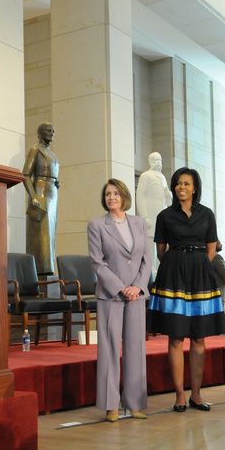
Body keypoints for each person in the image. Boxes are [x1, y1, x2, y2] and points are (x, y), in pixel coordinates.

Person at [149, 167, 225, 412]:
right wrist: (179, 262)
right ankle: (180, 395)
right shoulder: (165, 216)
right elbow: (161, 252)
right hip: (173, 275)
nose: (182, 188)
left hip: (200, 275)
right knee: (176, 336)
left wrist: (198, 263)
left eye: (186, 184)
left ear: (195, 188)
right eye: (178, 184)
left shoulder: (207, 214)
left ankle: (197, 394)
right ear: (173, 188)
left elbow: (211, 248)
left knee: (199, 337)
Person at [87, 179, 151, 422]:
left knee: (136, 347)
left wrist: (137, 286)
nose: (111, 197)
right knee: (109, 348)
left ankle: (135, 404)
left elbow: (146, 260)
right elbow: (97, 262)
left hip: (136, 294)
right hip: (110, 294)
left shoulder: (139, 223)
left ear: (124, 196)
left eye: (115, 193)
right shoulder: (96, 225)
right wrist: (121, 287)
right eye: (107, 194)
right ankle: (110, 405)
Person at [23, 122, 60, 275]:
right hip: (40, 190)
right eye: (47, 130)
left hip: (52, 192)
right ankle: (41, 269)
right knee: (41, 231)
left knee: (50, 232)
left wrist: (56, 181)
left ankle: (48, 268)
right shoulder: (35, 150)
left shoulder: (52, 153)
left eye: (52, 130)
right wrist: (33, 197)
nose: (51, 133)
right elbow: (25, 175)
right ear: (40, 133)